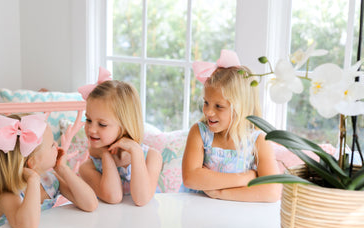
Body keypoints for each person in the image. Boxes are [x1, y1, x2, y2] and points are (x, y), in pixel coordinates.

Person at [0, 113, 98, 228]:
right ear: (33, 162)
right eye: (51, 145)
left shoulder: (50, 181)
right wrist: (33, 180)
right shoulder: (7, 193)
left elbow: (90, 204)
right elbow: (27, 227)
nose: (56, 145)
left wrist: (63, 169)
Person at [182, 49, 282, 202]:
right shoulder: (199, 132)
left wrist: (221, 193)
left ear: (240, 108)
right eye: (206, 102)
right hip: (196, 210)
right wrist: (244, 178)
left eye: (218, 106)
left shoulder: (258, 140)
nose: (208, 111)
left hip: (236, 216)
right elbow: (191, 178)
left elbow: (272, 191)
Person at [78, 67, 163, 207]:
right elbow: (113, 196)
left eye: (102, 124)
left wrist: (136, 151)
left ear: (124, 125)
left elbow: (141, 199)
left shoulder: (152, 157)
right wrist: (105, 154)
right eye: (88, 120)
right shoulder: (88, 168)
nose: (91, 129)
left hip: (142, 225)